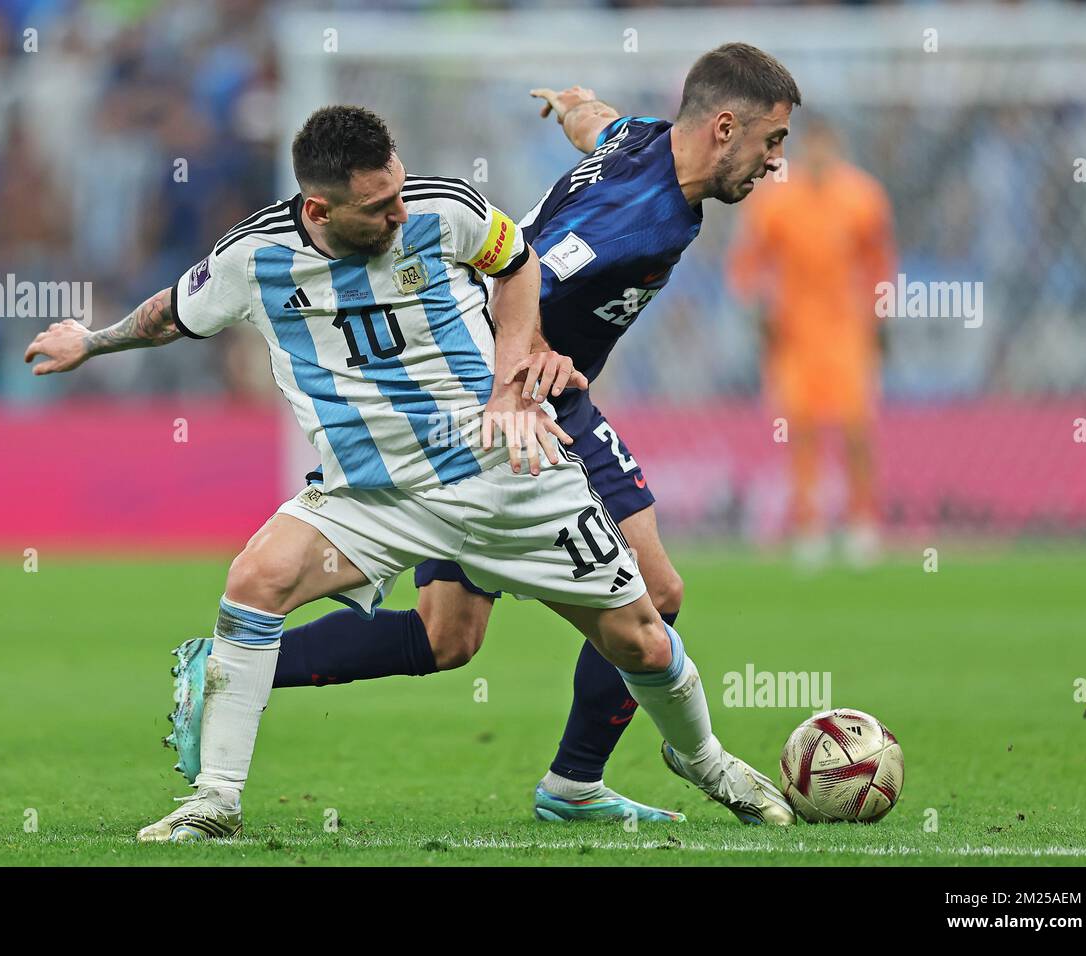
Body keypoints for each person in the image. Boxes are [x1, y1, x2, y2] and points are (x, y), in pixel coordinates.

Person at [25, 102, 794, 841]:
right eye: (378, 208)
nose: (398, 214)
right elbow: (170, 313)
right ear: (320, 212)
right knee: (256, 579)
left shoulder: (445, 209)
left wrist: (509, 377)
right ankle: (214, 800)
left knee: (643, 640)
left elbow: (519, 262)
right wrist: (92, 341)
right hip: (374, 492)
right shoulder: (251, 258)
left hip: (505, 472)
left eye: (398, 192)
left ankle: (707, 762)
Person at [232, 43, 804, 823]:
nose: (776, 162)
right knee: (655, 592)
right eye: (771, 141)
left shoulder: (642, 139)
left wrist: (574, 106)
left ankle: (231, 671)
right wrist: (527, 363)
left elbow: (601, 127)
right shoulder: (636, 221)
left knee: (448, 636)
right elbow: (527, 271)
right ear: (725, 126)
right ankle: (581, 782)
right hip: (523, 405)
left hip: (496, 397)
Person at [727, 116, 897, 568]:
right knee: (800, 429)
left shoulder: (863, 197)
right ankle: (809, 525)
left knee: (857, 427)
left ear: (837, 146)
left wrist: (881, 320)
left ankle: (863, 522)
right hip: (794, 333)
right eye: (813, 145)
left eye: (827, 144)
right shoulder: (776, 202)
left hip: (847, 330)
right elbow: (749, 262)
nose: (820, 154)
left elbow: (880, 264)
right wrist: (758, 307)